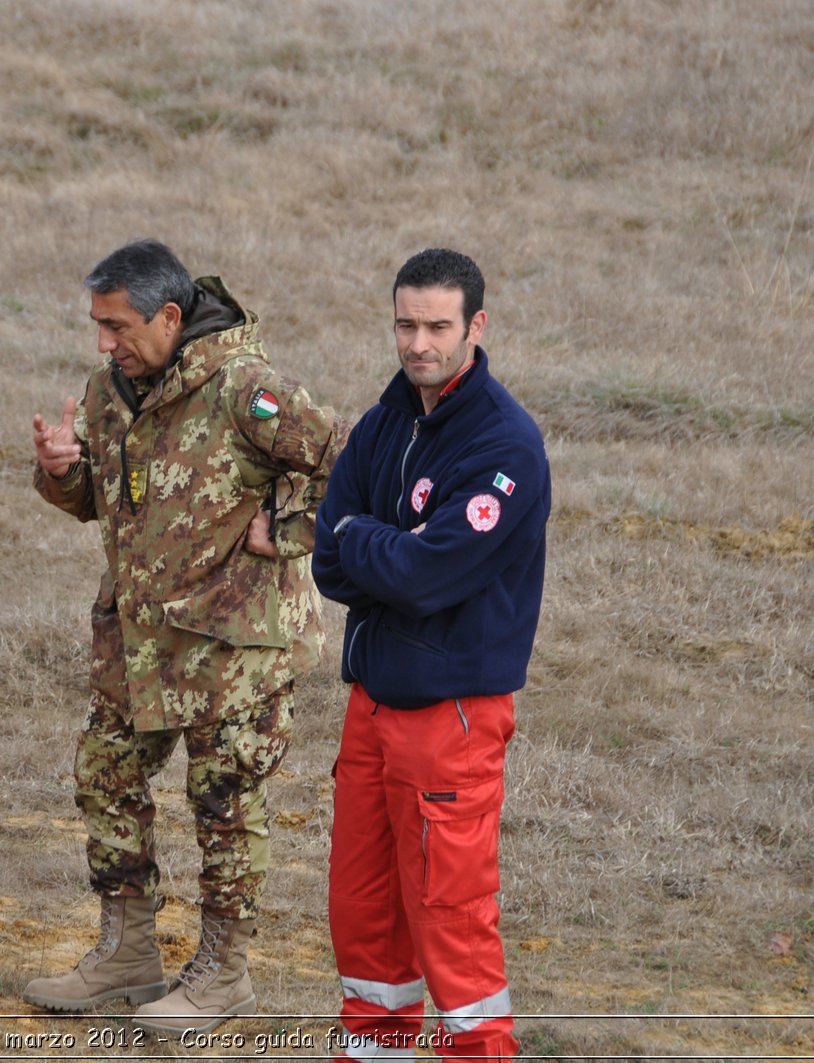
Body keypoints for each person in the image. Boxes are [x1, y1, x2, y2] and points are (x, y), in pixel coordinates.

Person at [25, 238, 346, 1035]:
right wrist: (62, 471)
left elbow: (349, 459)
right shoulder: (110, 390)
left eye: (117, 325)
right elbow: (105, 497)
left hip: (235, 649)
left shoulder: (247, 389)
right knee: (104, 773)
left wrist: (295, 524)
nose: (104, 343)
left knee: (225, 802)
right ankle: (127, 950)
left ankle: (223, 972)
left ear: (170, 317)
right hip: (139, 644)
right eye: (97, 325)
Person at [313, 248, 550, 1061]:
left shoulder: (505, 445)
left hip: (450, 713)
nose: (419, 342)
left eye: (437, 326)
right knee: (363, 906)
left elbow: (422, 573)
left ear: (475, 327)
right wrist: (382, 544)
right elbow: (327, 558)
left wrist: (366, 540)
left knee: (449, 916)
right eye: (406, 324)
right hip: (371, 706)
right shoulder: (383, 426)